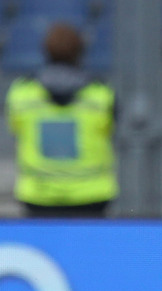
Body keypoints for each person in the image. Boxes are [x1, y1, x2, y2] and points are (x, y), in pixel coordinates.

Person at [4, 22, 118, 217]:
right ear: (80, 52)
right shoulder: (101, 94)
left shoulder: (21, 94)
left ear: (45, 51)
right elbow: (110, 130)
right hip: (91, 195)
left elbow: (16, 129)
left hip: (38, 195)